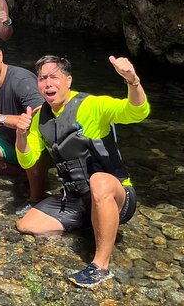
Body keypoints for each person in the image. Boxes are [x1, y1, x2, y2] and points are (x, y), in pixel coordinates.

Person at [14, 55, 149, 288]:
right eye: (42, 78)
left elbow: (137, 112)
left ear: (68, 80)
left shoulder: (92, 105)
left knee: (99, 181)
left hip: (117, 195)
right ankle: (96, 222)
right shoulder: (39, 119)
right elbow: (28, 161)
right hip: (77, 198)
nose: (48, 84)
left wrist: (133, 82)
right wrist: (21, 136)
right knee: (27, 225)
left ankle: (100, 266)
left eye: (54, 77)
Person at [0, 37, 47, 214]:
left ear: (0, 55)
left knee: (29, 137)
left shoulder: (21, 80)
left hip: (31, 142)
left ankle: (36, 197)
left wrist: (1, 118)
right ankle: (17, 171)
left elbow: (41, 116)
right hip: (6, 141)